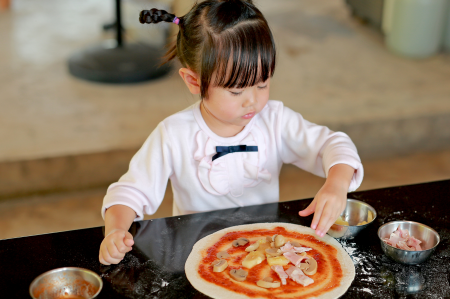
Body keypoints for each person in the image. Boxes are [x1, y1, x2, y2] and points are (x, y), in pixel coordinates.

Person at [99, 0, 364, 265]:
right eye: (236, 91)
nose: (252, 101)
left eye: (262, 84)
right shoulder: (174, 134)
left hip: (262, 255)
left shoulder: (274, 120)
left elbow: (332, 144)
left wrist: (336, 184)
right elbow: (130, 193)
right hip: (197, 260)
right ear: (194, 81)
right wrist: (116, 230)